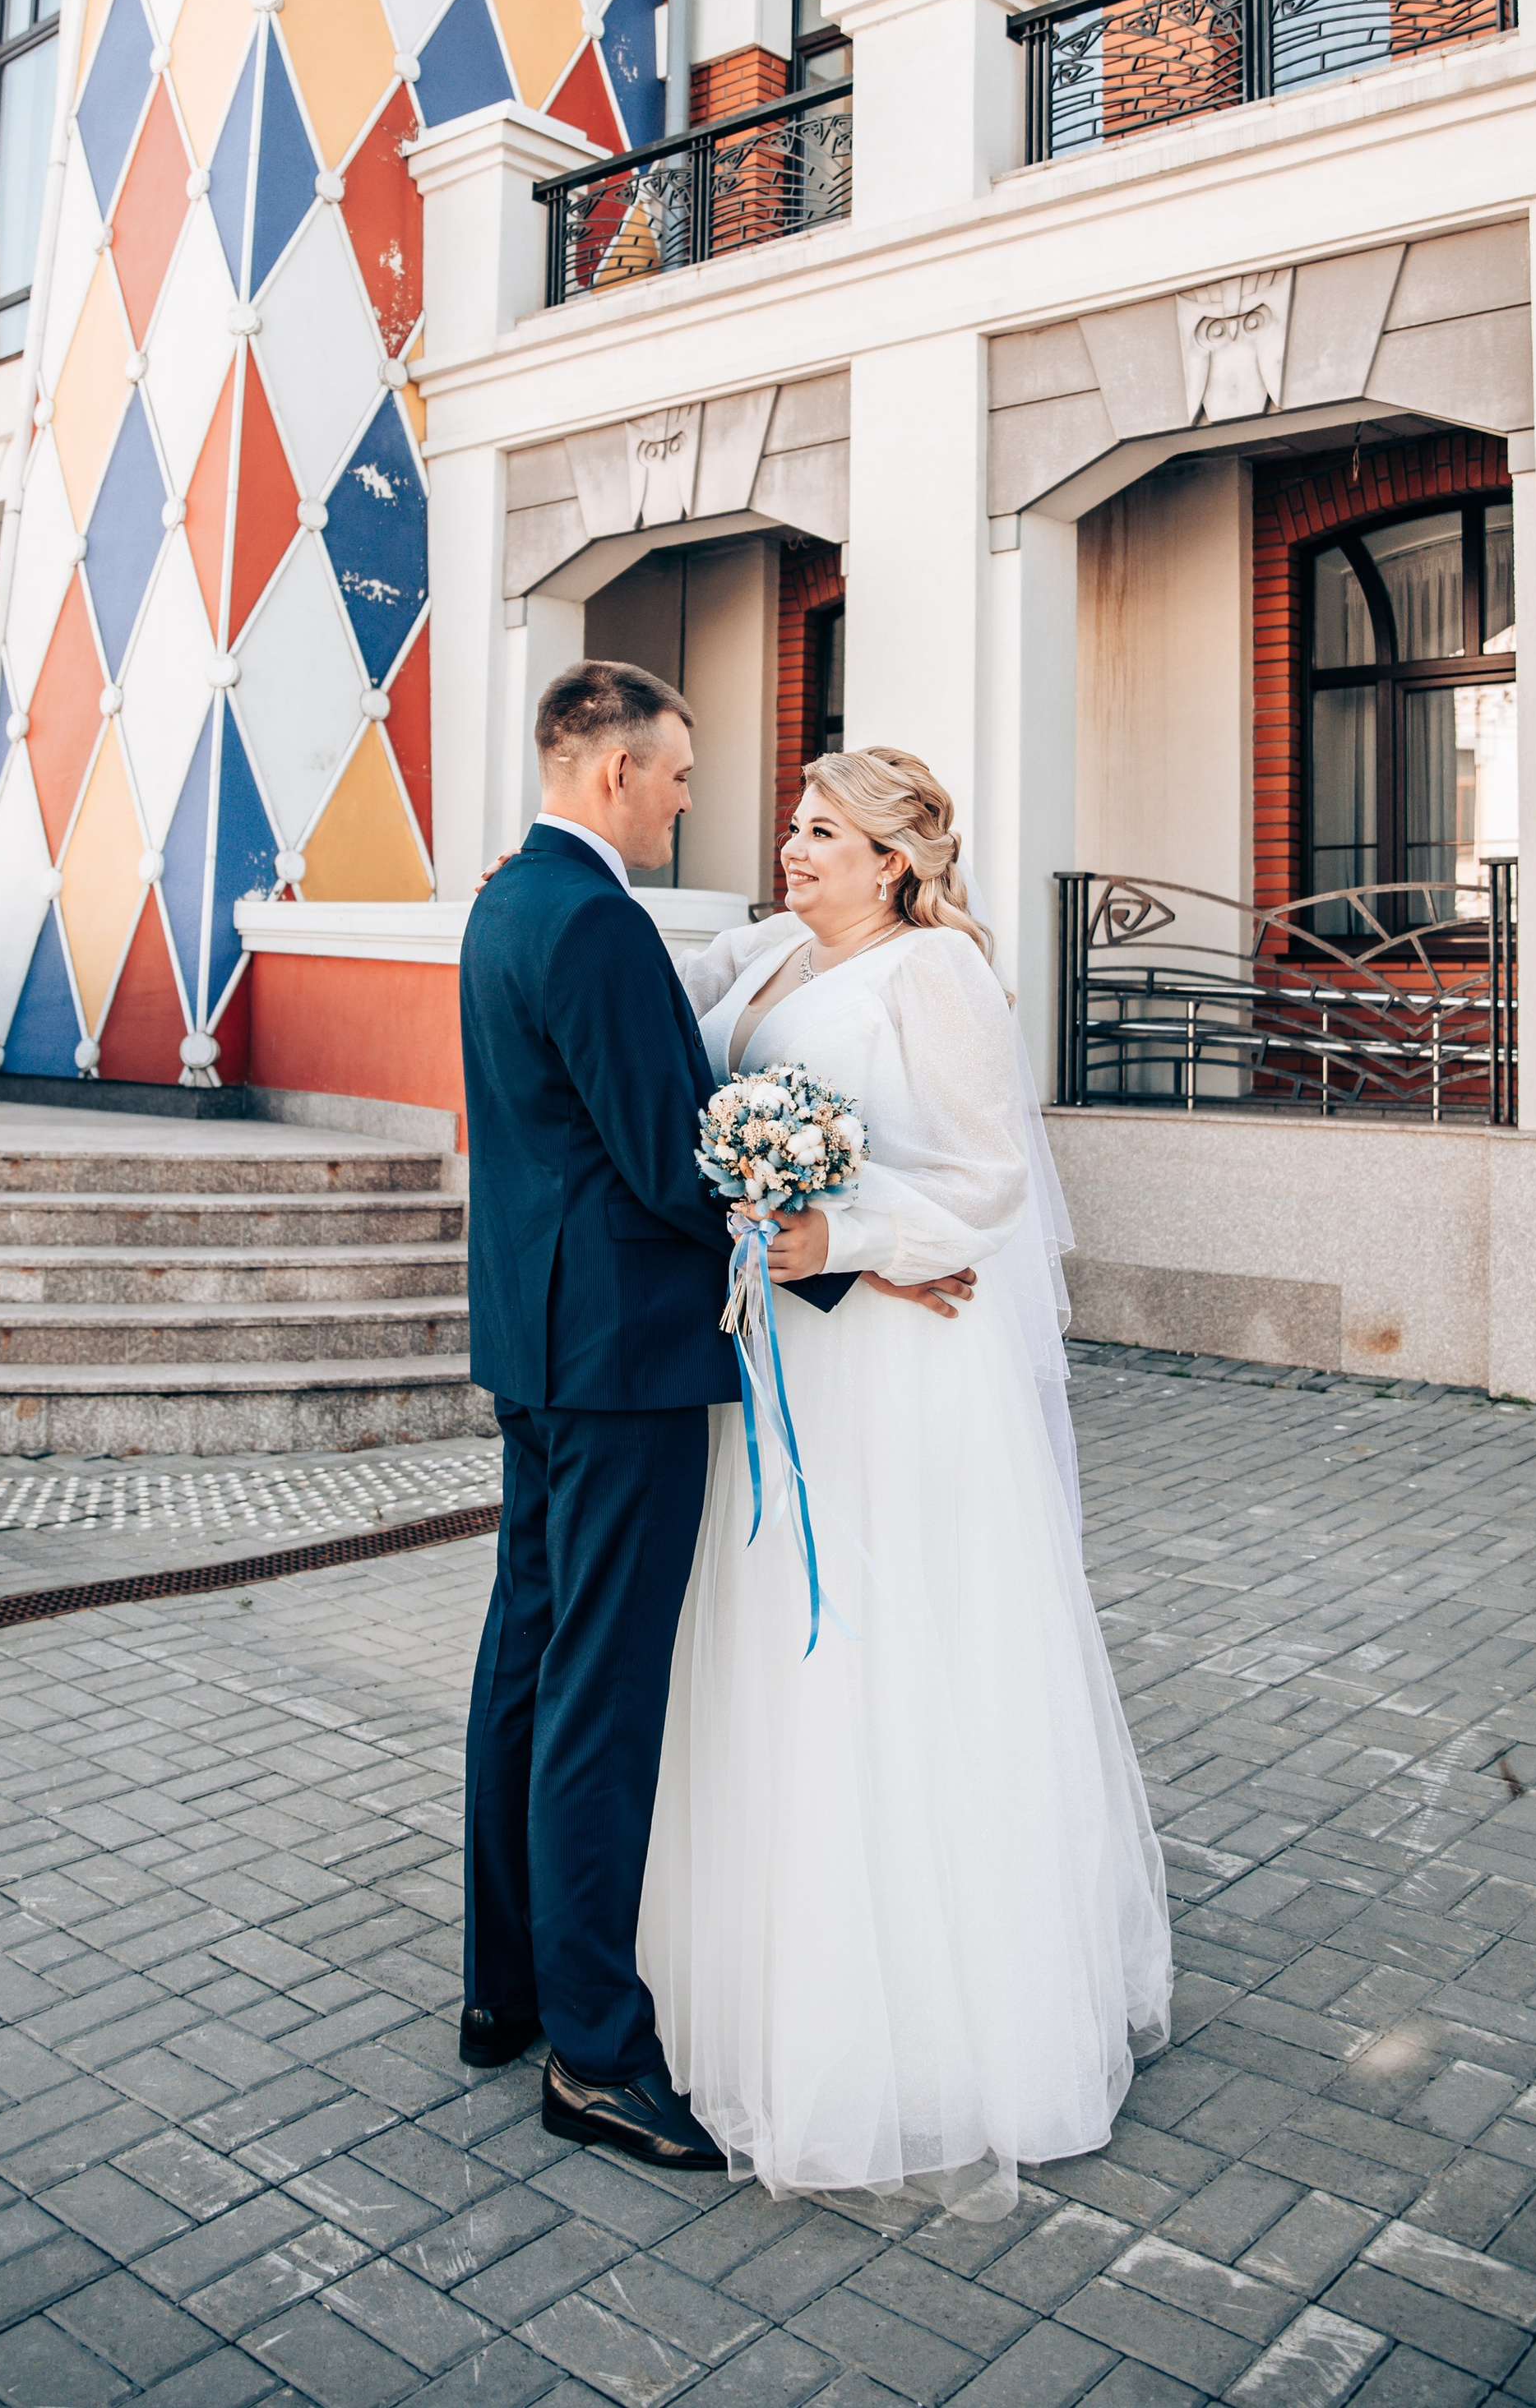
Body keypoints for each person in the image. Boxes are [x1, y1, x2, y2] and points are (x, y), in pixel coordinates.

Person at [638, 746, 1173, 2215]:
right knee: (777, 1658)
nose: (792, 848)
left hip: (889, 1370)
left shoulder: (932, 974)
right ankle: (769, 1980)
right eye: (793, 825)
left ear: (896, 861)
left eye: (824, 833)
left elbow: (992, 1179)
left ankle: (934, 2029)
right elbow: (652, 976)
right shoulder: (768, 956)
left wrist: (843, 1237)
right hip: (783, 1366)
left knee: (896, 1651)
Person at [457, 664, 972, 2171]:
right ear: (617, 770)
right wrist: (844, 1274)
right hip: (620, 1360)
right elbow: (664, 1163)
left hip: (539, 1343)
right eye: (679, 774)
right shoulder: (598, 924)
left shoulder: (510, 901)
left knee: (527, 1660)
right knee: (599, 1703)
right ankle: (599, 2060)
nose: (696, 800)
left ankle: (507, 1994)